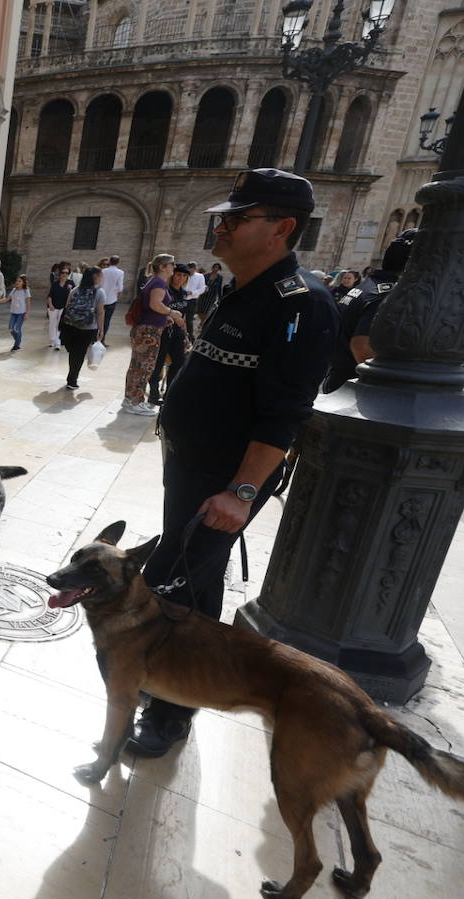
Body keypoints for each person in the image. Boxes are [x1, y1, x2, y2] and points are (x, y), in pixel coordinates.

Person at [131, 168, 338, 758]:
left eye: (237, 218)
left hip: (223, 483)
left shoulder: (301, 305)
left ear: (283, 229)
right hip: (193, 468)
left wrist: (242, 493)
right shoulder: (240, 287)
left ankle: (172, 712)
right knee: (179, 579)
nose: (220, 226)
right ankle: (164, 684)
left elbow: (283, 415)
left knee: (187, 595)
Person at [322, 230, 415, 394]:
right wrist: (382, 387)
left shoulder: (368, 285)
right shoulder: (385, 295)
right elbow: (361, 346)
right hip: (353, 388)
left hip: (338, 377)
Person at [120, 254, 182, 415]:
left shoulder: (153, 281)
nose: (174, 267)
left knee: (137, 366)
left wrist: (165, 317)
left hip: (145, 328)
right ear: (162, 266)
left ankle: (130, 399)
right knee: (144, 367)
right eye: (172, 264)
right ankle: (135, 402)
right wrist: (172, 312)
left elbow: (151, 306)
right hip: (149, 331)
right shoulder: (159, 282)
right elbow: (155, 304)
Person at [147, 263, 191, 404]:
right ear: (173, 275)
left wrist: (185, 334)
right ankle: (153, 395)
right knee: (158, 364)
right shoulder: (165, 290)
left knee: (178, 363)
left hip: (177, 333)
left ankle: (169, 394)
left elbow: (183, 316)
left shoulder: (184, 293)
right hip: (162, 332)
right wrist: (171, 317)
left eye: (184, 276)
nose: (181, 278)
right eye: (178, 274)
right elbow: (154, 309)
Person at [59, 266, 102, 390]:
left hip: (71, 325)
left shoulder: (75, 290)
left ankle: (71, 377)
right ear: (95, 277)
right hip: (88, 328)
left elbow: (67, 307)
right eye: (100, 275)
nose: (101, 278)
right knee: (79, 354)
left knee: (74, 353)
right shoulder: (99, 292)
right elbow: (100, 312)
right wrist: (101, 329)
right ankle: (72, 380)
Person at [99, 255, 126, 344]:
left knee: (97, 318)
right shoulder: (120, 272)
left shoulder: (103, 271)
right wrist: (115, 290)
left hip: (101, 298)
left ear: (110, 261)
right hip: (112, 299)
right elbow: (120, 288)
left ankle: (94, 338)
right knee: (106, 320)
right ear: (118, 263)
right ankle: (102, 340)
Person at [45, 261, 70, 351]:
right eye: (63, 273)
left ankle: (57, 343)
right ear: (60, 274)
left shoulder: (70, 284)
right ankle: (52, 340)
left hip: (64, 307)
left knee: (60, 325)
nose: (64, 274)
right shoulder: (55, 284)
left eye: (66, 273)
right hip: (53, 307)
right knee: (52, 324)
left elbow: (72, 296)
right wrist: (50, 305)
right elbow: (49, 295)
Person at [6, 275, 31, 351]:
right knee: (11, 328)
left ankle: (16, 345)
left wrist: (27, 313)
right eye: (17, 281)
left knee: (17, 329)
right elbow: (7, 299)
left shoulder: (26, 291)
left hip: (21, 313)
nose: (17, 282)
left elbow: (28, 303)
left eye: (19, 281)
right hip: (13, 313)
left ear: (23, 283)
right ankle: (18, 340)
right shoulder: (14, 290)